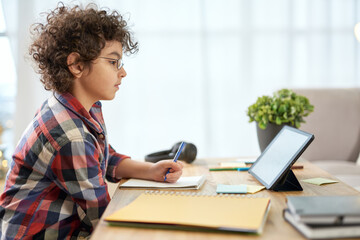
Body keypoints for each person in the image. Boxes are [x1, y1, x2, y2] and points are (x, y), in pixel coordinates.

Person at [0, 3, 183, 239]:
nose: (123, 72)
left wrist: (151, 171)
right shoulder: (68, 135)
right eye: (113, 62)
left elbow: (101, 158)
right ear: (77, 65)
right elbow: (103, 218)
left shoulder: (77, 107)